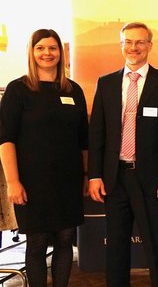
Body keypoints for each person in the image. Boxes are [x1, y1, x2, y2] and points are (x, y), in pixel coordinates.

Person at [88, 22, 158, 287]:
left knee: (156, 246)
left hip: (151, 181)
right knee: (116, 247)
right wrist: (95, 175)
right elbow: (97, 135)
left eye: (140, 42)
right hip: (114, 178)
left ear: (150, 46)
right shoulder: (105, 84)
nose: (134, 48)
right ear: (121, 45)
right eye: (128, 42)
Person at [0, 29, 88, 287]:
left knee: (64, 240)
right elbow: (6, 139)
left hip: (68, 180)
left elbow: (84, 141)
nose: (47, 53)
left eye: (52, 48)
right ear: (32, 51)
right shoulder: (18, 90)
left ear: (60, 52)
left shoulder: (73, 90)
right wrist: (13, 182)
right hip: (31, 182)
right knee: (37, 243)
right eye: (41, 48)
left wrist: (84, 175)